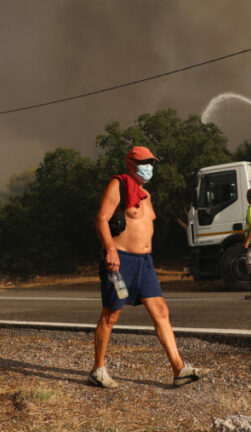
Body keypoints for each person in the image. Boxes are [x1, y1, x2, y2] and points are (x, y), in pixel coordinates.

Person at [90, 146, 209, 389]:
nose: (150, 167)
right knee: (111, 315)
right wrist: (110, 250)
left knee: (161, 311)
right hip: (120, 261)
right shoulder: (118, 185)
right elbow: (102, 218)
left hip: (145, 263)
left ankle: (179, 369)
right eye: (145, 162)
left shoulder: (146, 195)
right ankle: (97, 370)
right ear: (131, 164)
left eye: (152, 162)